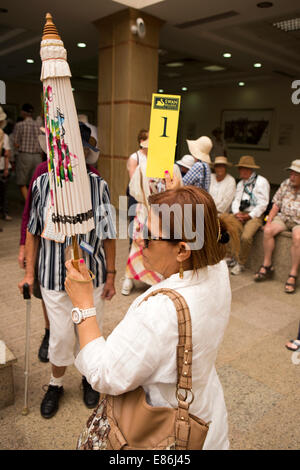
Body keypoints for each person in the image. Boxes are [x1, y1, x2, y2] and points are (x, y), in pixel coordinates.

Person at [65, 185, 240, 450]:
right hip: (207, 419)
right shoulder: (216, 268)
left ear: (182, 250)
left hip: (164, 433)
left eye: (149, 237)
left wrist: (84, 306)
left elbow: (105, 374)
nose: (139, 240)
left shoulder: (160, 311)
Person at [18, 122, 116, 419]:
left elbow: (108, 232)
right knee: (60, 336)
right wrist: (29, 275)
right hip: (52, 274)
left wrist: (111, 274)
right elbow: (34, 230)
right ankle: (56, 383)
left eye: (80, 151)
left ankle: (89, 379)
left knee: (90, 334)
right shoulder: (42, 183)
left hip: (91, 275)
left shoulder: (98, 185)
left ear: (86, 153)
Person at [18, 123, 103, 363]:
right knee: (53, 311)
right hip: (50, 259)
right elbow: (29, 216)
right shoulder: (42, 174)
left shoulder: (95, 179)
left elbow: (104, 228)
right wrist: (24, 247)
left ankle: (85, 370)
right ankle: (49, 333)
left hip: (84, 263)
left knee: (83, 319)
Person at [121, 154, 182, 296]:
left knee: (149, 247)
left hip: (151, 212)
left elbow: (134, 191)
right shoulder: (170, 168)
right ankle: (134, 279)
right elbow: (179, 192)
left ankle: (134, 280)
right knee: (144, 246)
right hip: (158, 212)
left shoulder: (145, 168)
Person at [254, 160, 300, 293]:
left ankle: (293, 274)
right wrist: (268, 222)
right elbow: (276, 205)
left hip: (298, 222)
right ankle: (267, 264)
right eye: (291, 173)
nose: (291, 177)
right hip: (284, 217)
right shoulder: (285, 184)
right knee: (268, 230)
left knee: (297, 237)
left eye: (295, 175)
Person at [228, 155, 270, 275]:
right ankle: (231, 257)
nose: (242, 171)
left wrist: (249, 216)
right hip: (241, 213)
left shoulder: (261, 182)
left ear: (251, 170)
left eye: (245, 169)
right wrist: (237, 213)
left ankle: (240, 263)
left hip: (255, 214)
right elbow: (236, 200)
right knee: (228, 226)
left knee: (246, 237)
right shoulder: (241, 183)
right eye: (241, 169)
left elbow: (263, 204)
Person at [13, 103, 42, 201]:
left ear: (23, 112)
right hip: (37, 157)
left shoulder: (20, 125)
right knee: (34, 182)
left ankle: (28, 206)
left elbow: (16, 143)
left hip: (25, 155)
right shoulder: (39, 125)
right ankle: (35, 203)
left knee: (22, 182)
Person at [126, 129, 149, 248]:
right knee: (135, 225)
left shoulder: (153, 157)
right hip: (136, 195)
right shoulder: (135, 157)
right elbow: (133, 180)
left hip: (149, 196)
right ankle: (133, 248)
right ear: (142, 141)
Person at [0, 106, 12, 223]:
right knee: (3, 194)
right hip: (2, 167)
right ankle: (5, 213)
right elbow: (7, 154)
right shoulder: (4, 135)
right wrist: (6, 170)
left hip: (2, 167)